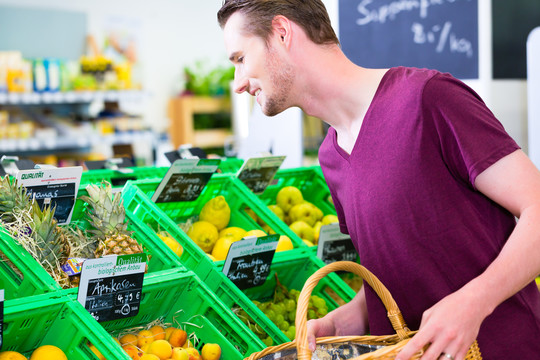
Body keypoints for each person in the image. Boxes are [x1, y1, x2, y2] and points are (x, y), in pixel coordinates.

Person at [217, 1, 540, 359]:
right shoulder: (331, 154)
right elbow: (396, 270)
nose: (239, 84)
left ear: (282, 32)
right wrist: (348, 320)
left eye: (240, 59)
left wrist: (474, 302)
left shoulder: (428, 99)